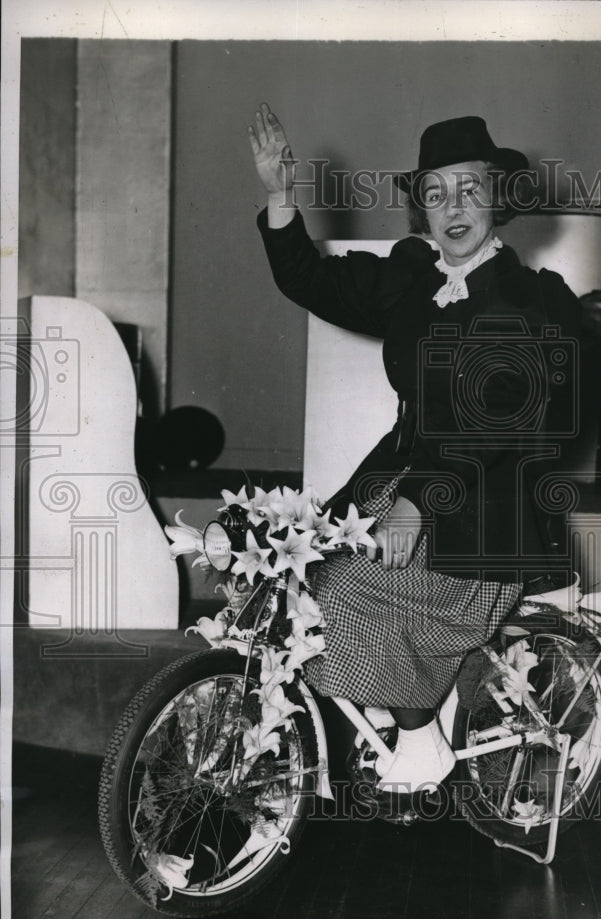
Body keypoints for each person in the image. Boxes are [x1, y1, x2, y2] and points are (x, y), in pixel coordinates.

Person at [248, 103, 581, 793]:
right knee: (288, 581)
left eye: (468, 186)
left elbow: (497, 418)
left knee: (342, 590)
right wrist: (281, 197)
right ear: (420, 210)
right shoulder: (411, 279)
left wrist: (417, 500)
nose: (451, 205)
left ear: (498, 196)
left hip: (485, 516)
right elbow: (309, 281)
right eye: (434, 191)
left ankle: (418, 734)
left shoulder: (532, 301)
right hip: (395, 484)